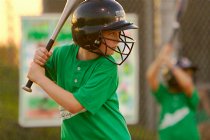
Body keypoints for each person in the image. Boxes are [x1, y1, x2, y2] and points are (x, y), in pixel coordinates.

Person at [27, 0, 138, 140]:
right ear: (90, 34)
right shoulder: (62, 55)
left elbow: (74, 105)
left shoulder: (107, 67)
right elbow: (35, 70)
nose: (118, 40)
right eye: (112, 34)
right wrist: (39, 58)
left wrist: (40, 78)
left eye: (118, 33)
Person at [146, 44, 200, 140]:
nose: (188, 76)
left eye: (190, 74)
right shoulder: (165, 94)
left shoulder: (190, 95)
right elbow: (150, 76)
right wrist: (161, 56)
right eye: (185, 73)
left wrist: (169, 63)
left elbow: (187, 84)